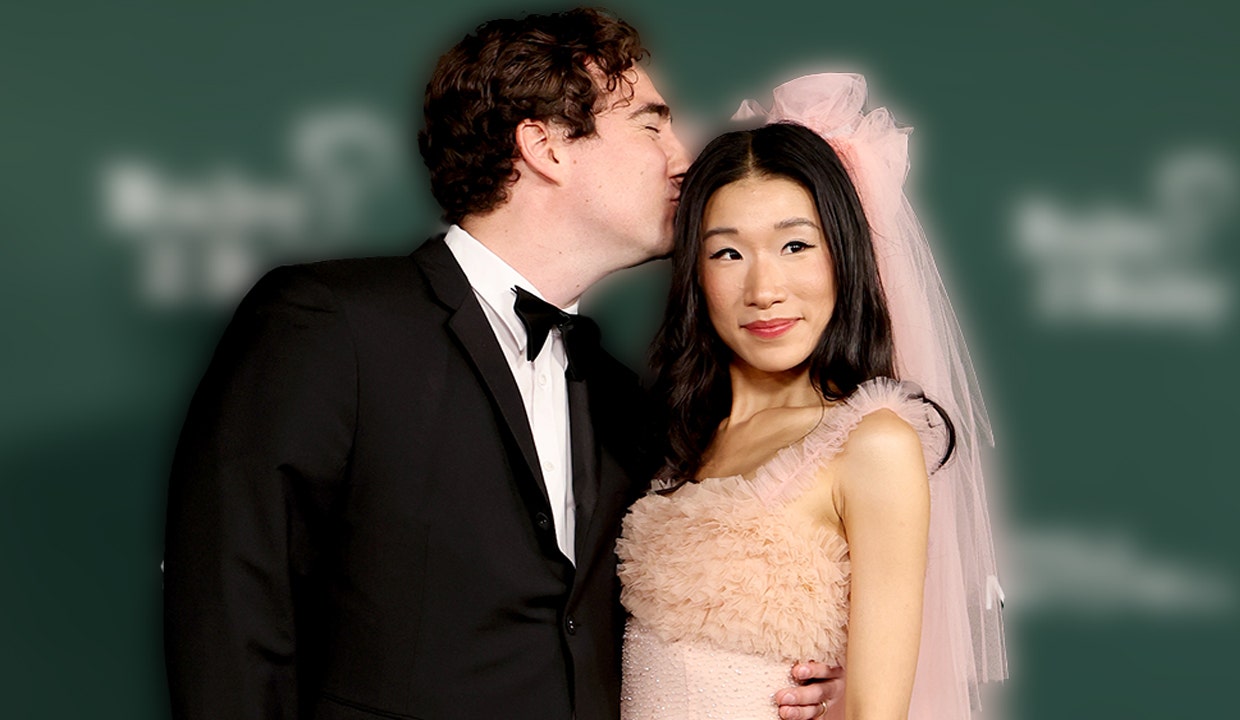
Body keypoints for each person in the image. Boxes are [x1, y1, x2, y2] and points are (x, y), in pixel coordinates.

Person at [163, 9, 841, 720]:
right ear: (545, 146)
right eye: (651, 125)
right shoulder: (331, 323)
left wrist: (775, 676)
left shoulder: (623, 398)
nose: (685, 157)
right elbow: (229, 608)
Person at [616, 74, 1008, 719]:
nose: (764, 290)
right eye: (727, 253)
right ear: (694, 272)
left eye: (796, 245)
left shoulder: (872, 444)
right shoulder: (663, 434)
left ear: (843, 256)